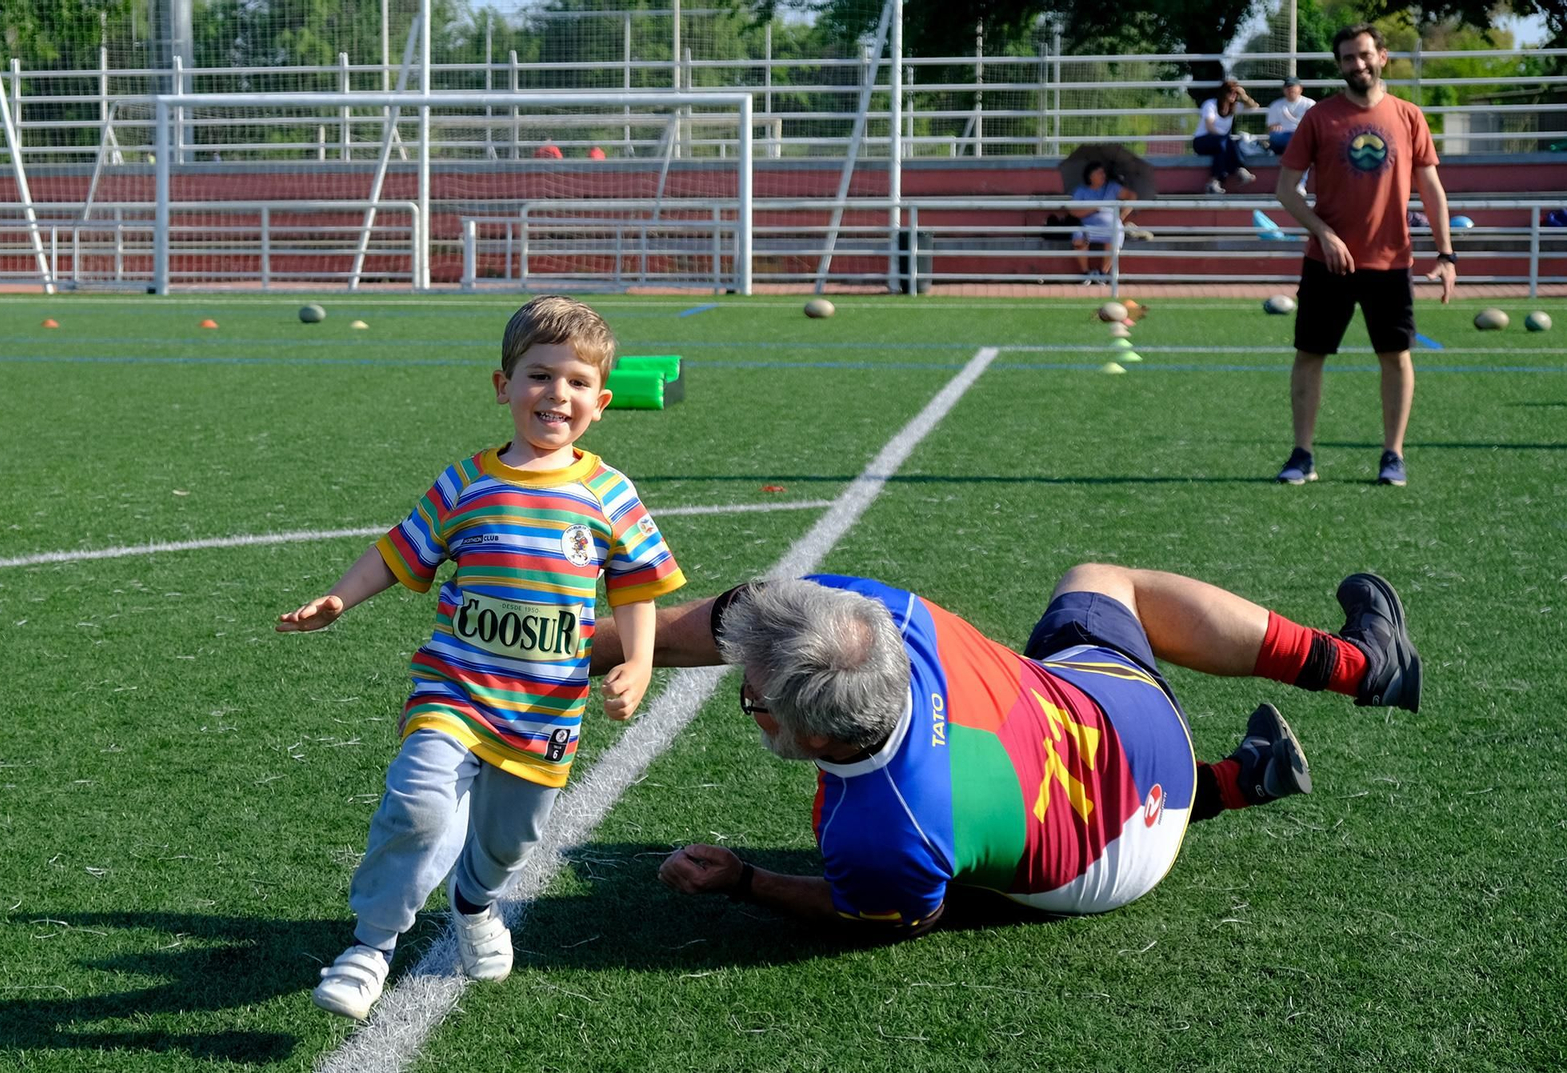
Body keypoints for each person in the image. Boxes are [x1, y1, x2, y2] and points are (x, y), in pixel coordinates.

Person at [590, 564, 1420, 932]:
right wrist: (590, 646)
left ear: (809, 735)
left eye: (753, 696)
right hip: (1134, 726)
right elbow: (746, 610)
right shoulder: (878, 616)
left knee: (972, 858)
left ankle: (1247, 770)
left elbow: (883, 918)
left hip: (1118, 863)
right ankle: (1335, 685)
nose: (747, 690)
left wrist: (744, 878)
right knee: (1101, 583)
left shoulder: (882, 828)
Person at [277, 295, 685, 1019]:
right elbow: (399, 551)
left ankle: (475, 901)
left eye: (577, 381)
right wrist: (340, 597)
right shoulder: (466, 482)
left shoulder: (609, 493)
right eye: (538, 375)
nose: (556, 393)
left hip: (545, 707)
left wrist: (642, 663)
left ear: (603, 400)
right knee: (419, 806)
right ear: (503, 386)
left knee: (508, 839)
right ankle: (370, 947)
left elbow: (638, 586)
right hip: (454, 689)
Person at [1273, 23, 1455, 488]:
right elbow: (1285, 189)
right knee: (1310, 355)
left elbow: (1431, 188)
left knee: (1395, 357)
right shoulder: (1319, 118)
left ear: (1382, 56)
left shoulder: (1409, 115)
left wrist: (1447, 253)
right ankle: (1302, 455)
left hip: (1391, 260)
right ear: (1339, 65)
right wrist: (1324, 233)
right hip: (1326, 262)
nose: (1357, 64)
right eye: (1348, 58)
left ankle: (1392, 455)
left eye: (1364, 55)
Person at [1067, 161, 1141, 283]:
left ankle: (1103, 273)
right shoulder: (1081, 191)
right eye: (1099, 173)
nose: (1103, 175)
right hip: (1089, 226)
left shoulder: (1112, 187)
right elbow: (1073, 211)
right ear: (1091, 176)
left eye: (1103, 173)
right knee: (1078, 236)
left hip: (1111, 226)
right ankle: (1085, 273)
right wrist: (1093, 208)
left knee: (1116, 233)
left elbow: (1132, 196)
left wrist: (1122, 215)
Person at [1193, 78, 1260, 194]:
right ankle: (1239, 169)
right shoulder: (1210, 104)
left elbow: (1254, 106)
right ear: (1223, 92)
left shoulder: (1234, 106)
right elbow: (1209, 127)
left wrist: (1243, 96)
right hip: (1202, 141)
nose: (1234, 95)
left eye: (1236, 93)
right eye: (1231, 92)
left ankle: (1214, 182)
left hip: (1221, 144)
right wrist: (1224, 138)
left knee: (1221, 150)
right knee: (1225, 142)